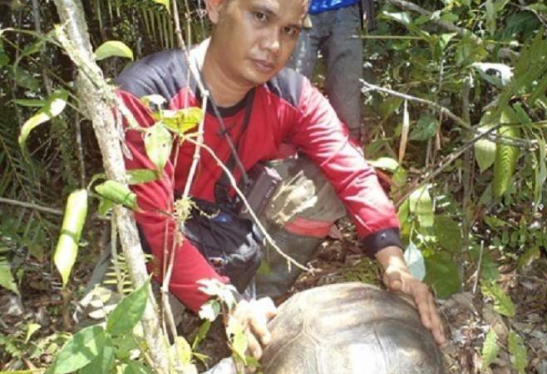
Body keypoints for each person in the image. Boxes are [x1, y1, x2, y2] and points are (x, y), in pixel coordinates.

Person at [112, 0, 444, 362]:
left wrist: (394, 263)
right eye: (260, 17)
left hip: (237, 228)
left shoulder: (291, 93)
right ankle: (229, 309)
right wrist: (227, 304)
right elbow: (154, 227)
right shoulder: (148, 93)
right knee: (114, 343)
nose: (274, 45)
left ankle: (263, 304)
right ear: (216, 6)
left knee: (324, 179)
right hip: (163, 248)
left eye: (289, 30)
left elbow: (351, 169)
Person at [288, 0, 366, 143]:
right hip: (298, 9)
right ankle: (284, 155)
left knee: (346, 96)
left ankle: (348, 153)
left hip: (346, 9)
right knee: (291, 91)